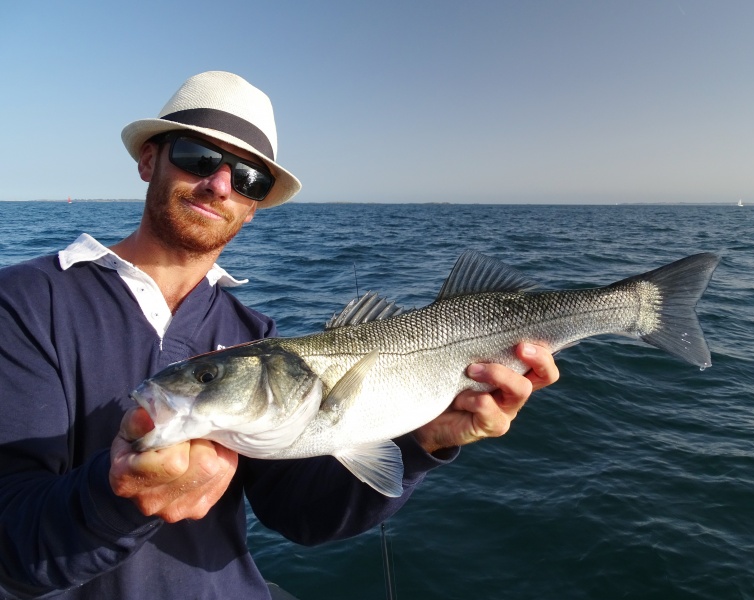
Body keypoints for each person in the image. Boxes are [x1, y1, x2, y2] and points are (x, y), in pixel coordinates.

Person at [0, 71, 559, 599]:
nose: (220, 185)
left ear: (256, 205)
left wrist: (423, 442)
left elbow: (302, 516)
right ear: (150, 160)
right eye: (199, 156)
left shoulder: (252, 332)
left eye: (249, 179)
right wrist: (116, 497)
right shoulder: (24, 301)